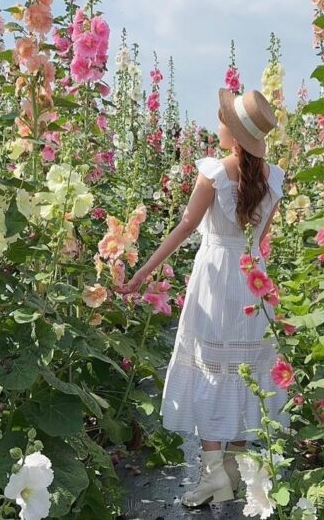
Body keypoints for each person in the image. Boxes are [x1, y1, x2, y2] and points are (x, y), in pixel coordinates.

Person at [116, 87, 290, 507]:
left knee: (213, 369)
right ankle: (232, 470)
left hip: (215, 278)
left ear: (232, 130)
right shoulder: (276, 178)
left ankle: (215, 477)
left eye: (222, 120)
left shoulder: (214, 172)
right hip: (252, 279)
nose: (217, 126)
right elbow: (259, 240)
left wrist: (142, 273)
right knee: (244, 371)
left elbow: (185, 227)